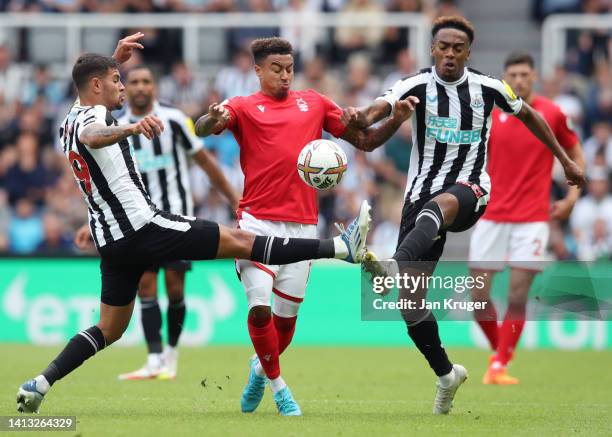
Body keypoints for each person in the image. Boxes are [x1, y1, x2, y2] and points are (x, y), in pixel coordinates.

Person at [15, 33, 372, 415]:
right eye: (117, 80)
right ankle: (339, 248)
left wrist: (113, 61)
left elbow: (87, 106)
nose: (123, 85)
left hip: (112, 241)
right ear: (97, 86)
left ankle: (40, 383)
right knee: (242, 241)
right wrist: (132, 129)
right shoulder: (91, 119)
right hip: (144, 226)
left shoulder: (68, 116)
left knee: (109, 329)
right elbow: (94, 134)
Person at [342, 16, 585, 415]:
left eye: (458, 48)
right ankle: (446, 375)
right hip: (417, 200)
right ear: (432, 49)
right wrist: (357, 115)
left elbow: (532, 116)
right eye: (443, 46)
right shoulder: (414, 84)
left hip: (470, 191)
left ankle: (394, 262)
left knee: (444, 203)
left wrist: (565, 162)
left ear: (468, 53)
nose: (450, 54)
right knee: (410, 302)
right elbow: (372, 113)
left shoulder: (489, 87)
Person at [196, 37, 412, 416]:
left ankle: (259, 370)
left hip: (302, 227)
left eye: (289, 68)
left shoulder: (313, 103)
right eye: (276, 69)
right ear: (258, 70)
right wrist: (212, 118)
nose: (284, 75)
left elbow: (364, 140)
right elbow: (201, 128)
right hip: (255, 224)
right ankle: (280, 389)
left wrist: (395, 117)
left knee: (284, 328)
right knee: (259, 306)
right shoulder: (243, 107)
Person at [111, 65, 237, 380]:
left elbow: (205, 163)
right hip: (139, 221)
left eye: (146, 81)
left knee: (175, 286)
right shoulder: (119, 126)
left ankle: (171, 354)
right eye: (135, 82)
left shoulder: (176, 120)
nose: (140, 87)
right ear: (127, 88)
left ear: (154, 87)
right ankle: (154, 359)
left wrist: (235, 200)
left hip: (176, 216)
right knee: (146, 285)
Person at [468, 52, 584, 385]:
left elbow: (575, 154)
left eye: (524, 74)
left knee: (517, 296)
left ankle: (499, 365)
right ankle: (501, 352)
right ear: (505, 79)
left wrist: (572, 197)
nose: (518, 80)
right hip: (492, 214)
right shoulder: (491, 113)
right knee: (479, 298)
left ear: (534, 76)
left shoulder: (552, 113)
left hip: (533, 218)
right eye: (513, 75)